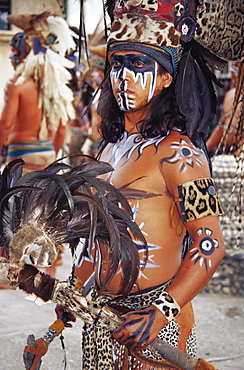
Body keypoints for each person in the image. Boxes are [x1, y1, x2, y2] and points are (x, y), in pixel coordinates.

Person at [0, 12, 76, 174]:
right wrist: (51, 158)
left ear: (25, 55)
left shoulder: (16, 84)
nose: (12, 57)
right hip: (47, 154)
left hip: (20, 156)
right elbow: (61, 130)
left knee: (15, 199)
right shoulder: (56, 86)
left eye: (15, 52)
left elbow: (5, 124)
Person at [206, 62, 243, 156]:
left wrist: (239, 154)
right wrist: (204, 151)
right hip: (229, 153)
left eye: (237, 67)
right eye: (234, 67)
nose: (232, 71)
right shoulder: (230, 95)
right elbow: (222, 127)